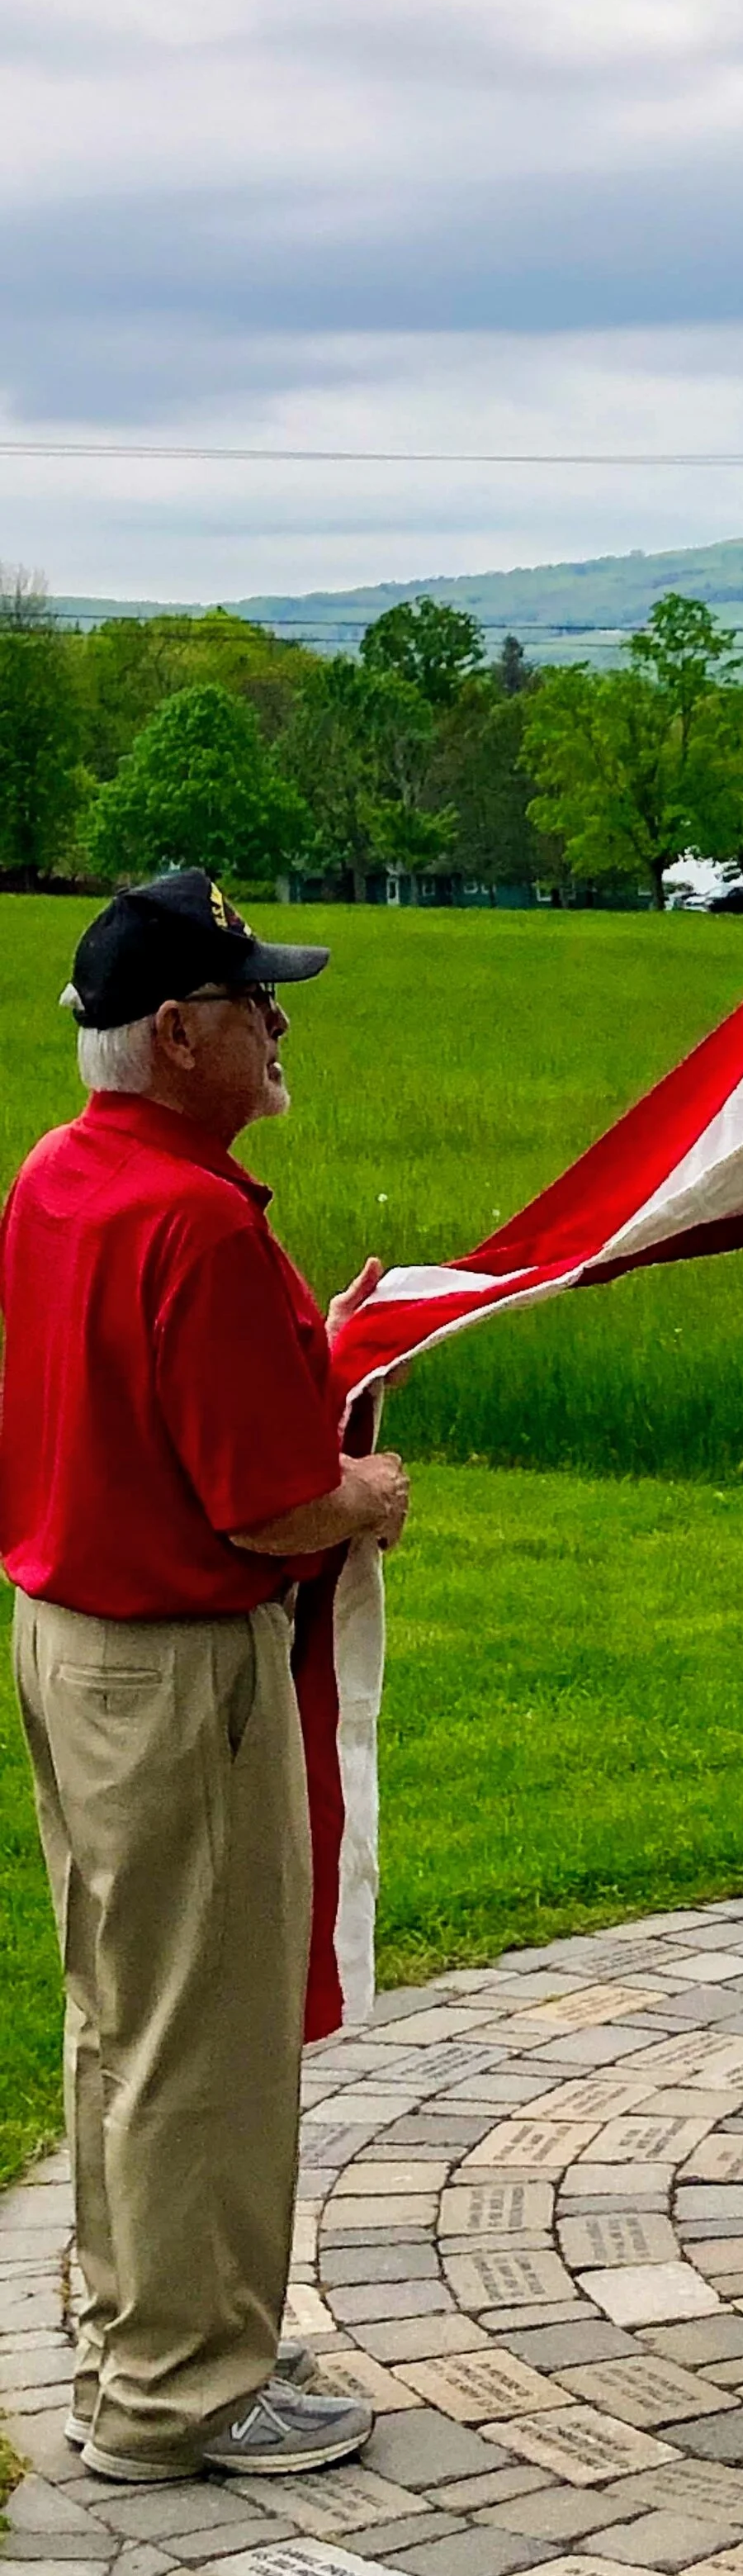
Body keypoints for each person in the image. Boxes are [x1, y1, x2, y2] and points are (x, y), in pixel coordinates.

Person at [0, 870, 410, 2483]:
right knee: (206, 2038)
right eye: (252, 1001)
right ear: (177, 1034)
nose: (277, 1020)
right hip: (180, 1671)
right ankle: (184, 2386)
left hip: (70, 1642)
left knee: (125, 2013)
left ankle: (143, 2324)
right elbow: (269, 1504)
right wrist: (368, 1495)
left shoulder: (61, 1173)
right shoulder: (197, 1217)